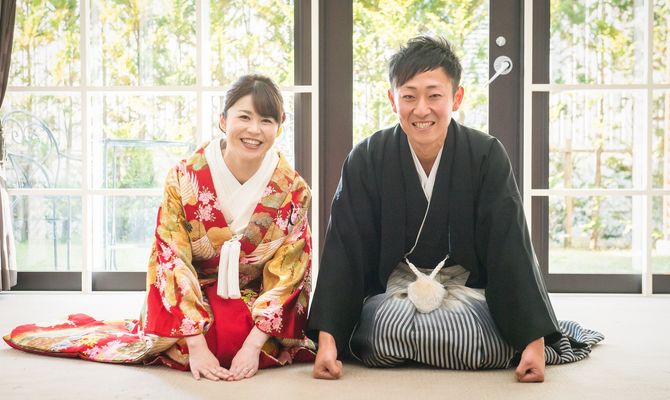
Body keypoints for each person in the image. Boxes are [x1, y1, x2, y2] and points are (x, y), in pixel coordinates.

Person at [307, 36, 602, 382]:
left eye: (434, 96)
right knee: (385, 324)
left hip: (467, 292)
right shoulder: (367, 157)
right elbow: (344, 249)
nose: (421, 109)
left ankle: (466, 340)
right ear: (392, 99)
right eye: (409, 96)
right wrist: (329, 341)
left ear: (456, 98)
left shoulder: (486, 155)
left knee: (459, 329)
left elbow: (510, 245)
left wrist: (533, 341)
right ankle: (471, 345)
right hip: (395, 294)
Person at [4, 74, 315, 381]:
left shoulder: (292, 190)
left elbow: (291, 270)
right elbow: (170, 256)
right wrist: (196, 345)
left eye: (266, 121)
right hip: (194, 292)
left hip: (254, 297)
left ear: (280, 124)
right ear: (223, 120)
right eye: (244, 117)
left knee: (242, 339)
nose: (254, 130)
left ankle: (251, 339)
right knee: (196, 342)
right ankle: (195, 337)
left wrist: (253, 345)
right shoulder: (184, 177)